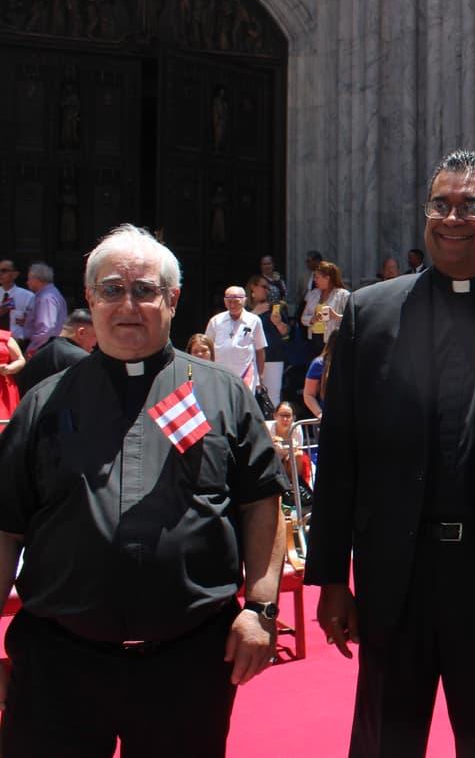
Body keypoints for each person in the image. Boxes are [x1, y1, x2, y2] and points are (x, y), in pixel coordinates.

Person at [305, 150, 475, 758]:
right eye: (440, 204)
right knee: (385, 741)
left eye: (471, 206)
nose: (452, 218)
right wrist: (328, 577)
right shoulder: (370, 314)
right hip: (395, 576)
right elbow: (342, 452)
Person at [0, 223, 285, 757]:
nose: (127, 304)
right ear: (90, 299)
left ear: (172, 299)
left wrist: (261, 607)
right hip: (59, 664)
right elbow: (6, 526)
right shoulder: (43, 403)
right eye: (111, 289)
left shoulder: (223, 395)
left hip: (187, 664)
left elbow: (261, 503)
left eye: (145, 290)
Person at [15, 309, 95, 396]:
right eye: (95, 336)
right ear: (81, 333)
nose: (97, 342)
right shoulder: (81, 359)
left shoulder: (43, 351)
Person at [205, 286, 267, 389]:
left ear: (244, 301)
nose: (232, 305)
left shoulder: (254, 320)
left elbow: (260, 349)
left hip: (245, 375)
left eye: (236, 301)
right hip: (221, 374)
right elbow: (207, 347)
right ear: (224, 301)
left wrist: (260, 376)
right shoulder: (215, 321)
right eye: (229, 301)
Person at [247, 274, 291, 404]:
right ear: (253, 287)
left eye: (268, 287)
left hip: (272, 357)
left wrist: (278, 323)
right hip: (249, 358)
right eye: (264, 287)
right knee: (250, 394)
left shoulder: (274, 308)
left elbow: (286, 332)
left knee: (272, 396)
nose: (267, 290)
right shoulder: (245, 310)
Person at [300, 261, 349, 356]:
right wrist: (312, 319)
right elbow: (303, 318)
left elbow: (351, 318)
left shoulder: (342, 295)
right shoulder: (313, 294)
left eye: (317, 277)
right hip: (314, 338)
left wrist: (335, 316)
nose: (315, 280)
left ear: (327, 278)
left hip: (332, 340)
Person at [24, 262, 67, 355]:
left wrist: (33, 348)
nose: (27, 282)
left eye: (29, 279)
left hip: (43, 348)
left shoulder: (46, 297)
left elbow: (46, 328)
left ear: (37, 279)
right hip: (49, 345)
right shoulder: (50, 294)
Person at [0, 260, 34, 348]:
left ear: (15, 274)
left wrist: (29, 322)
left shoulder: (28, 296)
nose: (0, 273)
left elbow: (36, 323)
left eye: (4, 270)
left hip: (18, 344)